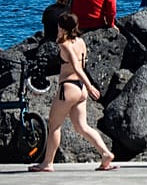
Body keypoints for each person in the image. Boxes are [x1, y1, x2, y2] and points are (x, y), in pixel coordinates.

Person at [29, 13, 116, 172]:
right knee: (82, 126)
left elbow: (76, 67)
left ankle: (47, 163)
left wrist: (90, 86)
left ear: (62, 27)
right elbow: (82, 65)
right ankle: (105, 154)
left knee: (54, 125)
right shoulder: (81, 42)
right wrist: (86, 86)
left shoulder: (65, 44)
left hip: (69, 87)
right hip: (80, 88)